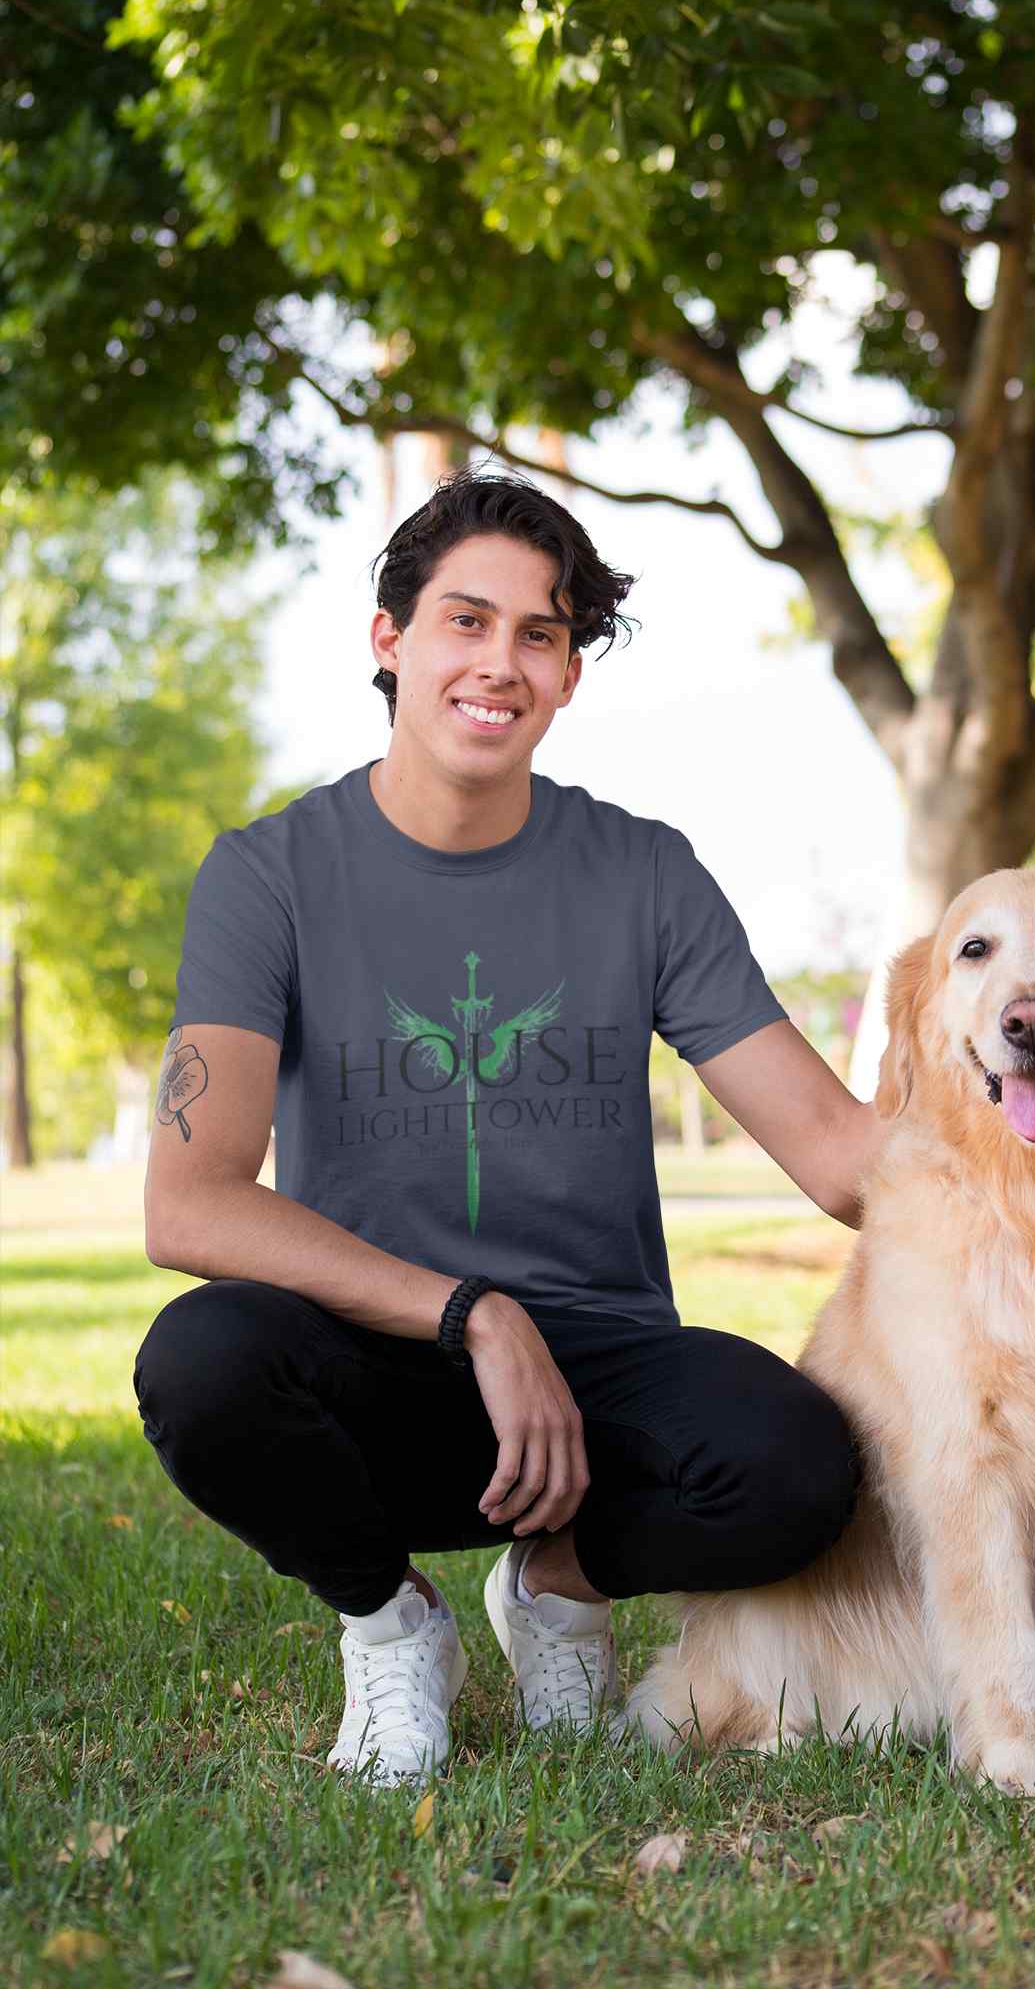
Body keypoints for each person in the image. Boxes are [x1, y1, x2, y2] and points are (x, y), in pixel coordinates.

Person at [134, 468, 886, 1790]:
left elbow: (837, 1153)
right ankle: (393, 1620)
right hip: (373, 1351)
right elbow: (188, 1204)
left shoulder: (644, 872)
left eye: (541, 634)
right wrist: (475, 1312)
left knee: (802, 1466)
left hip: (594, 1381)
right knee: (202, 1364)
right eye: (465, 622)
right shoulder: (268, 876)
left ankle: (558, 1581)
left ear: (571, 673)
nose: (501, 663)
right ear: (391, 639)